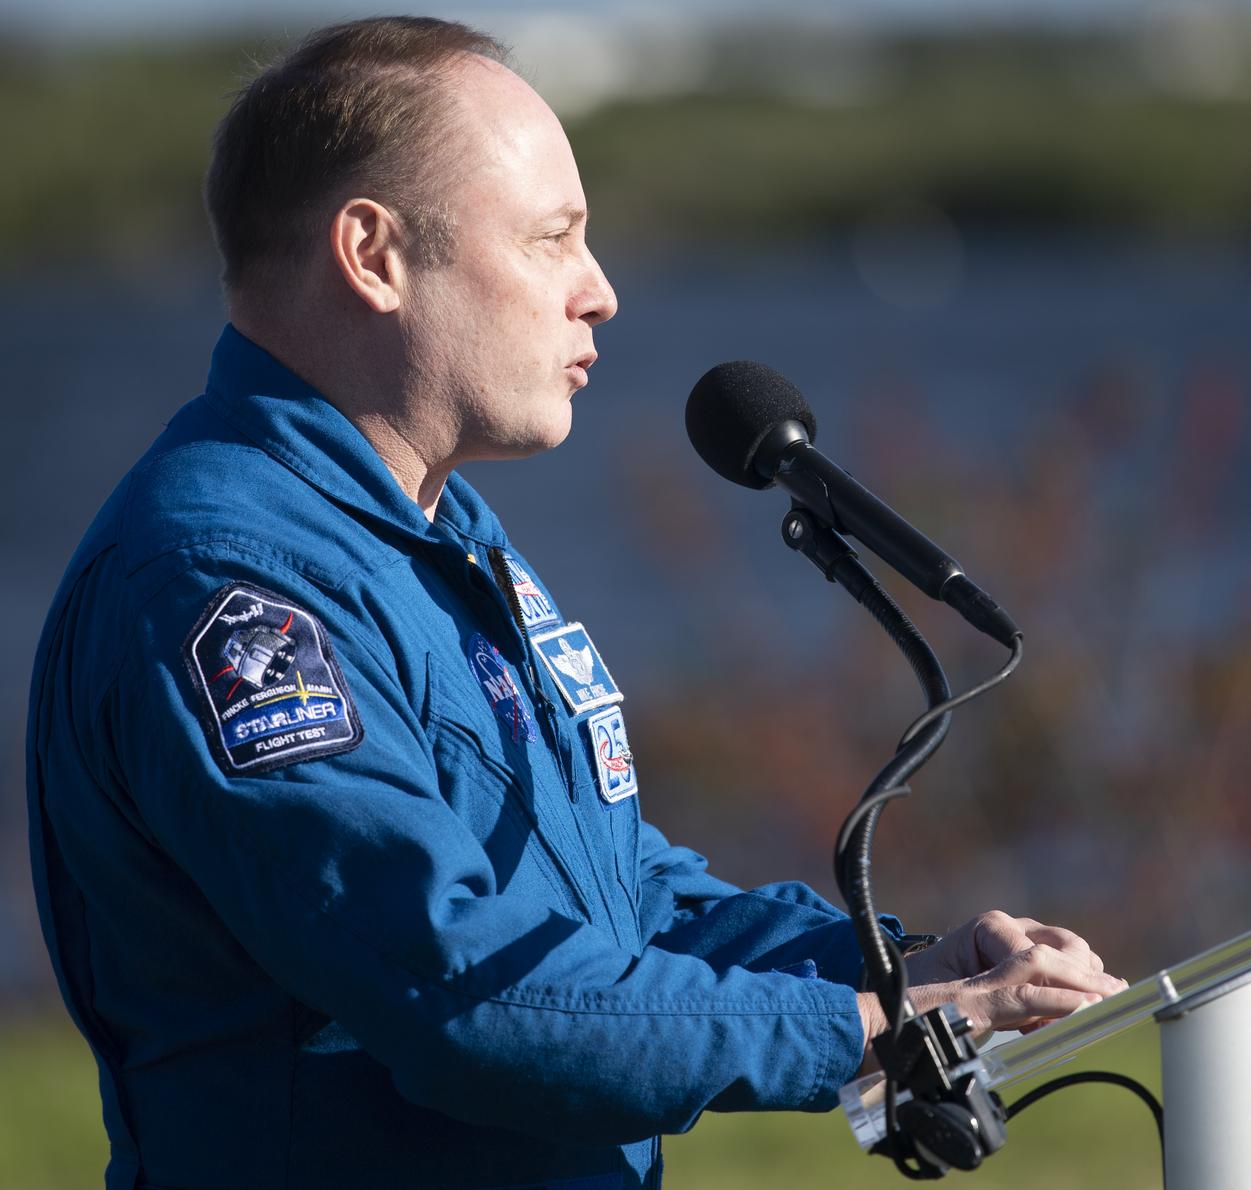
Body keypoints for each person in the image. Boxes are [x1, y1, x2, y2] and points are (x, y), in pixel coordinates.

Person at [27, 17, 1125, 1190]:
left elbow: (607, 899)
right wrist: (863, 1028)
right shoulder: (222, 586)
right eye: (553, 239)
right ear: (372, 254)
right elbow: (465, 991)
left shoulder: (427, 526)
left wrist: (901, 970)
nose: (598, 293)